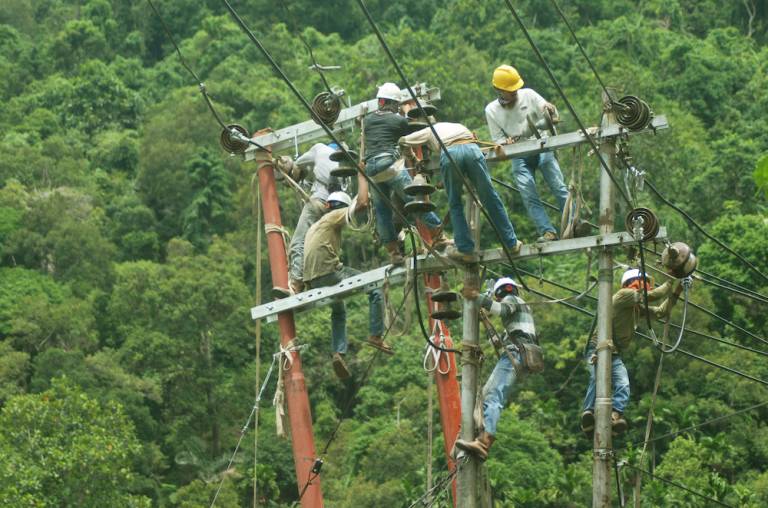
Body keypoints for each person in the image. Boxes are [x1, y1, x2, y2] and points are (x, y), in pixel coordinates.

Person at [303, 171, 392, 380]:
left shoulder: (315, 226)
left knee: (339, 310)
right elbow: (361, 204)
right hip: (329, 273)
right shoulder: (334, 216)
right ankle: (375, 335)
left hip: (312, 280)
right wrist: (362, 175)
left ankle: (338, 353)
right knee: (375, 286)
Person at [398, 121, 522, 263]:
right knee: (490, 197)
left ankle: (465, 249)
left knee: (455, 203)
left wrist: (412, 158)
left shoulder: (429, 130)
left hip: (451, 153)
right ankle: (511, 244)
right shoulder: (456, 126)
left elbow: (403, 141)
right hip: (472, 149)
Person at [580, 269, 685, 434]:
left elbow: (660, 312)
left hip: (614, 353)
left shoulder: (636, 308)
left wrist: (678, 290)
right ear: (633, 283)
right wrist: (672, 279)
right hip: (598, 347)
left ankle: (614, 415)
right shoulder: (624, 295)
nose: (648, 288)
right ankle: (588, 414)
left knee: (623, 383)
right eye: (645, 284)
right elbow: (654, 295)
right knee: (596, 378)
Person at [454, 276, 542, 460]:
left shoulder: (513, 300)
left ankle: (484, 440)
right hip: (520, 354)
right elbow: (497, 342)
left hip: (516, 353)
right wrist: (485, 321)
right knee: (487, 393)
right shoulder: (520, 315)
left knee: (493, 395)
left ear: (501, 293)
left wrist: (477, 297)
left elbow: (501, 309)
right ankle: (482, 436)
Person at [363, 82, 448, 264]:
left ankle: (394, 253)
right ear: (393, 103)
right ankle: (438, 235)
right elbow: (409, 138)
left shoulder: (367, 120)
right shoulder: (398, 121)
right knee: (416, 202)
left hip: (372, 170)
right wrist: (408, 112)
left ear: (380, 101)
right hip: (389, 166)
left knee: (382, 212)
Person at [485, 65, 569, 242]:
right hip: (519, 152)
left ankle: (572, 223)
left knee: (558, 186)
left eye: (515, 88)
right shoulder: (491, 110)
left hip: (541, 143)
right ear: (498, 90)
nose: (514, 92)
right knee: (528, 194)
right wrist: (505, 143)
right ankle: (547, 232)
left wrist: (549, 108)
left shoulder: (528, 94)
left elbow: (549, 113)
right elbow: (498, 139)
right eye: (510, 90)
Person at [282, 142, 343, 294]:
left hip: (318, 203)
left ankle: (296, 283)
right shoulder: (342, 165)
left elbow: (298, 164)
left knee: (299, 242)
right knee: (319, 243)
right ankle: (319, 275)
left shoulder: (320, 148)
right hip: (334, 207)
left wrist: (289, 168)